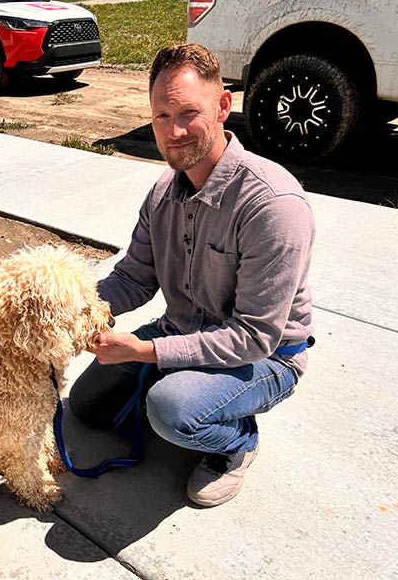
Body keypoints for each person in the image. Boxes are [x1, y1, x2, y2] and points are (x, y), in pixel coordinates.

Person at [69, 43, 315, 507]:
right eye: (161, 115)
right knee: (85, 407)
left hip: (267, 356)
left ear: (224, 106)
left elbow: (255, 336)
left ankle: (237, 444)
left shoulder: (273, 206)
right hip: (181, 330)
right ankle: (182, 394)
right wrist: (68, 305)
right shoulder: (162, 192)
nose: (174, 131)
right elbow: (134, 279)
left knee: (173, 410)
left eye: (188, 112)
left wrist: (147, 352)